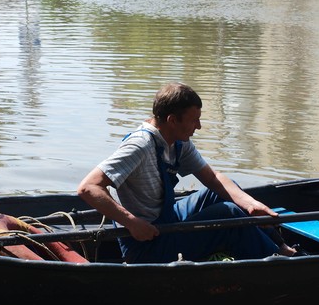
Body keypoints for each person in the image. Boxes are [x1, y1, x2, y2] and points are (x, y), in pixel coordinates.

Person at [77, 83, 292, 263]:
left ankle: (280, 246)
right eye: (193, 120)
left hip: (167, 218)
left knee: (224, 191)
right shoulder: (140, 146)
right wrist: (132, 222)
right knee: (228, 214)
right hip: (149, 242)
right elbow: (88, 187)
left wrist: (251, 204)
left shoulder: (179, 142)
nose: (199, 126)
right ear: (172, 120)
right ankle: (278, 263)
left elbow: (212, 178)